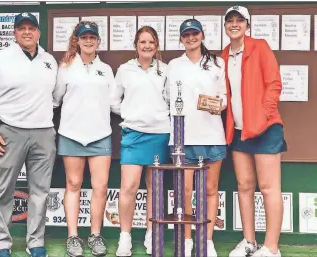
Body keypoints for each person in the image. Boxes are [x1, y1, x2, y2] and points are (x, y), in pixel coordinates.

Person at [0, 13, 57, 257]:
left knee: (40, 191)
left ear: (39, 33)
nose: (27, 32)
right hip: (9, 132)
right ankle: (1, 243)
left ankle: (36, 242)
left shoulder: (49, 61)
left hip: (43, 133)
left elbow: (55, 97)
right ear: (15, 32)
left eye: (32, 28)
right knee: (2, 191)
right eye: (22, 28)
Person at [221, 6, 287, 257]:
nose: (235, 24)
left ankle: (271, 247)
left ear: (247, 25)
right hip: (239, 132)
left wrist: (263, 115)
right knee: (244, 185)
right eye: (230, 21)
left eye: (240, 20)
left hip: (266, 129)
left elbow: (274, 84)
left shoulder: (260, 46)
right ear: (225, 26)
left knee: (269, 188)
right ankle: (249, 241)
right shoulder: (224, 56)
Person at [53, 21, 115, 257]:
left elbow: (114, 103)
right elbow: (56, 99)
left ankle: (96, 235)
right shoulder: (66, 67)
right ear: (77, 40)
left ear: (98, 41)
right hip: (71, 134)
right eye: (84, 37)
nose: (88, 41)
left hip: (100, 135)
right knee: (73, 185)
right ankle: (72, 237)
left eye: (92, 37)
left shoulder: (106, 69)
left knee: (100, 187)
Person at [165, 19, 227, 257]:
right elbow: (167, 97)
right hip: (182, 136)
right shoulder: (173, 65)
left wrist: (216, 105)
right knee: (185, 191)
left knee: (210, 190)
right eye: (186, 35)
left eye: (194, 33)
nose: (190, 38)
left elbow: (224, 97)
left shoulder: (216, 63)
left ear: (202, 35)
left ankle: (207, 239)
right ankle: (187, 238)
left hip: (212, 134)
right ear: (181, 38)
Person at [110, 26, 170, 257]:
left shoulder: (165, 70)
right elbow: (114, 101)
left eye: (151, 42)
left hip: (160, 134)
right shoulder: (125, 70)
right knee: (128, 187)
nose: (147, 46)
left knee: (155, 188)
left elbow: (169, 100)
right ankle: (125, 237)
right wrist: (130, 115)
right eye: (142, 42)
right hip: (133, 134)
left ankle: (152, 232)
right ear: (136, 44)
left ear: (156, 45)